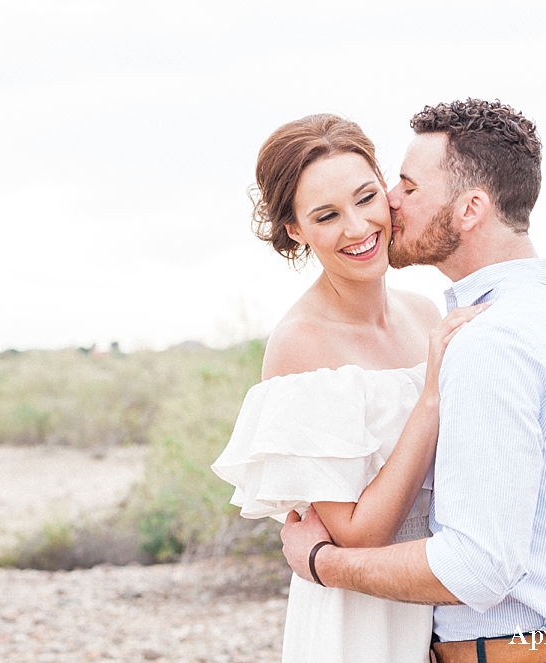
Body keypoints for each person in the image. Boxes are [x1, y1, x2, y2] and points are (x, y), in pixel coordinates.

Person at [280, 99, 546, 663]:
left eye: (404, 187)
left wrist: (321, 564)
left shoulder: (486, 340)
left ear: (470, 208)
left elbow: (474, 566)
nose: (389, 204)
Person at [211, 113, 486, 663]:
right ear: (295, 230)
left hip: (449, 598)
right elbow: (357, 535)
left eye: (366, 198)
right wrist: (431, 397)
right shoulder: (301, 344)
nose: (359, 228)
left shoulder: (423, 310)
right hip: (362, 618)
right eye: (327, 215)